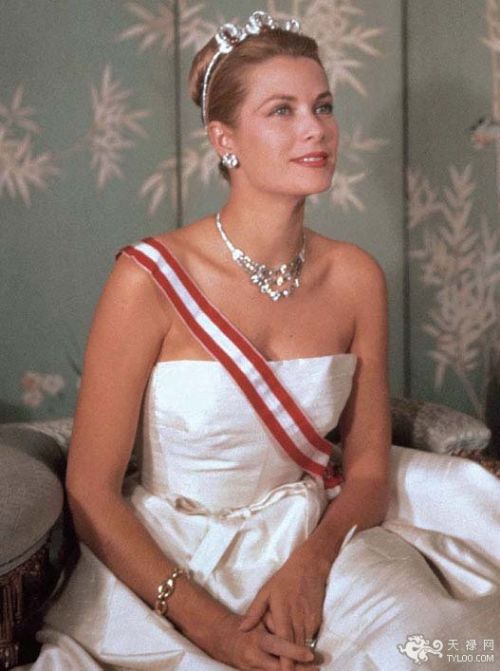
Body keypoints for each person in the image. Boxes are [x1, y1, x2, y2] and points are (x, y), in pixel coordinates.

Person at [17, 11, 500, 671]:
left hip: (316, 536)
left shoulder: (355, 277)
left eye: (323, 106)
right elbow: (91, 491)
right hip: (173, 560)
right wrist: (218, 632)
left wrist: (311, 565)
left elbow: (365, 471)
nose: (316, 128)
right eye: (282, 110)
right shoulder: (148, 279)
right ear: (225, 139)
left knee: (427, 645)